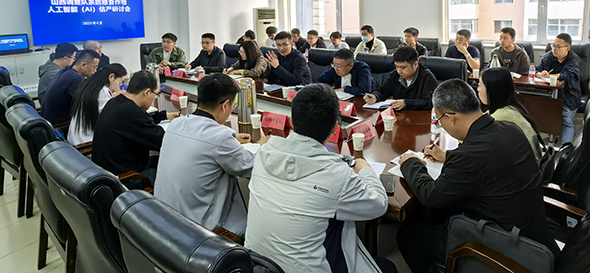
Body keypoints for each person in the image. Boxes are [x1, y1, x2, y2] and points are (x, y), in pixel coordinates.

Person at [396, 79, 558, 272]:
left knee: (409, 235)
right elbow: (489, 160)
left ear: (451, 117)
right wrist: (448, 156)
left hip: (510, 247)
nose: (441, 125)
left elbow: (431, 196)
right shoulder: (509, 129)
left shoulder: (469, 156)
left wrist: (411, 163)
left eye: (439, 120)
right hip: (532, 231)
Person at [245, 84, 393, 273]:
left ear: (292, 121)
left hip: (257, 265)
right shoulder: (336, 175)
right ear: (335, 128)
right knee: (388, 267)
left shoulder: (263, 153)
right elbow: (378, 205)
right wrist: (364, 168)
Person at [155, 75, 269, 237]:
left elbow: (204, 142)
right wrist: (265, 147)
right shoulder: (220, 137)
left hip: (166, 221)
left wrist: (231, 141)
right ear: (225, 105)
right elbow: (255, 167)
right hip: (201, 232)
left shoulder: (176, 124)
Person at [91, 70, 179, 185]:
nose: (155, 98)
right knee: (174, 169)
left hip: (106, 172)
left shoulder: (115, 102)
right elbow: (164, 141)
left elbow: (138, 122)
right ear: (147, 92)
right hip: (126, 178)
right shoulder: (133, 113)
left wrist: (164, 115)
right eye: (156, 95)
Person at [478, 68, 541, 160]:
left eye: (480, 85)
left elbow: (476, 138)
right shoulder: (511, 107)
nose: (478, 90)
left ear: (492, 90)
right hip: (528, 162)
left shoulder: (502, 115)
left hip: (526, 165)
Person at [536, 33, 581, 144]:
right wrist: (540, 74)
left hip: (569, 96)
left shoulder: (574, 60)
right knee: (535, 113)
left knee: (567, 121)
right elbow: (536, 70)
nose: (554, 49)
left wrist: (550, 76)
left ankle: (565, 149)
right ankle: (542, 144)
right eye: (553, 45)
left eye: (558, 46)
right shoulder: (549, 56)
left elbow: (568, 76)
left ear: (567, 48)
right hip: (548, 94)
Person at [67, 63, 127, 146]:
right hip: (86, 144)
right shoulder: (102, 92)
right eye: (120, 82)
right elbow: (110, 117)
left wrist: (113, 96)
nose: (119, 86)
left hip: (75, 139)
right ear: (111, 77)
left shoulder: (92, 85)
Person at [364, 46, 437, 111]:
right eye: (397, 67)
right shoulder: (395, 75)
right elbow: (384, 90)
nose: (399, 71)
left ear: (415, 65)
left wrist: (406, 103)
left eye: (403, 68)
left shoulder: (427, 77)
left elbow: (430, 102)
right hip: (399, 116)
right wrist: (375, 96)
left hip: (419, 117)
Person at [41, 49, 100, 126]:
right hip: (60, 125)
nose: (95, 70)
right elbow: (87, 104)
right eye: (94, 67)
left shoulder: (65, 71)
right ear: (83, 65)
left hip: (48, 120)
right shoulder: (76, 78)